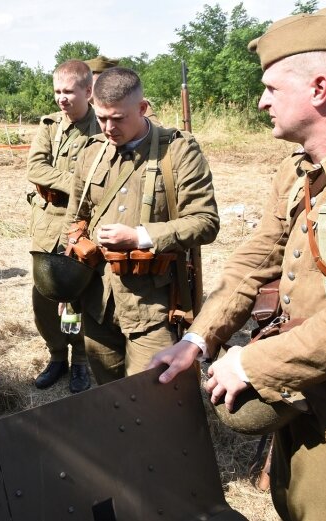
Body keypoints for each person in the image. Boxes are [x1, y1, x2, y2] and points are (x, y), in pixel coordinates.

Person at [149, 2, 326, 519]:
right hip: (303, 396)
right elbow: (254, 263)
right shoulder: (299, 172)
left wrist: (252, 362)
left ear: (320, 89)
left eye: (272, 88)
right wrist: (198, 340)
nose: (260, 102)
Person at [62, 67, 218, 384]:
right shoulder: (91, 152)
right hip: (98, 302)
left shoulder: (178, 152)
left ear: (142, 108)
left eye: (118, 118)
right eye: (101, 117)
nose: (108, 127)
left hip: (154, 306)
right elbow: (75, 220)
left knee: (154, 396)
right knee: (109, 392)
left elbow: (206, 221)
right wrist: (67, 283)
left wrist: (138, 237)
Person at [27, 60, 96, 393]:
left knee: (79, 297)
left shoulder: (102, 128)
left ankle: (81, 360)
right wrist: (78, 183)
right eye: (57, 91)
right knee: (43, 298)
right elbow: (36, 169)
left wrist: (80, 190)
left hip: (82, 225)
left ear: (88, 90)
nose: (62, 99)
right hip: (46, 221)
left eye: (69, 91)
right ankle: (57, 356)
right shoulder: (50, 126)